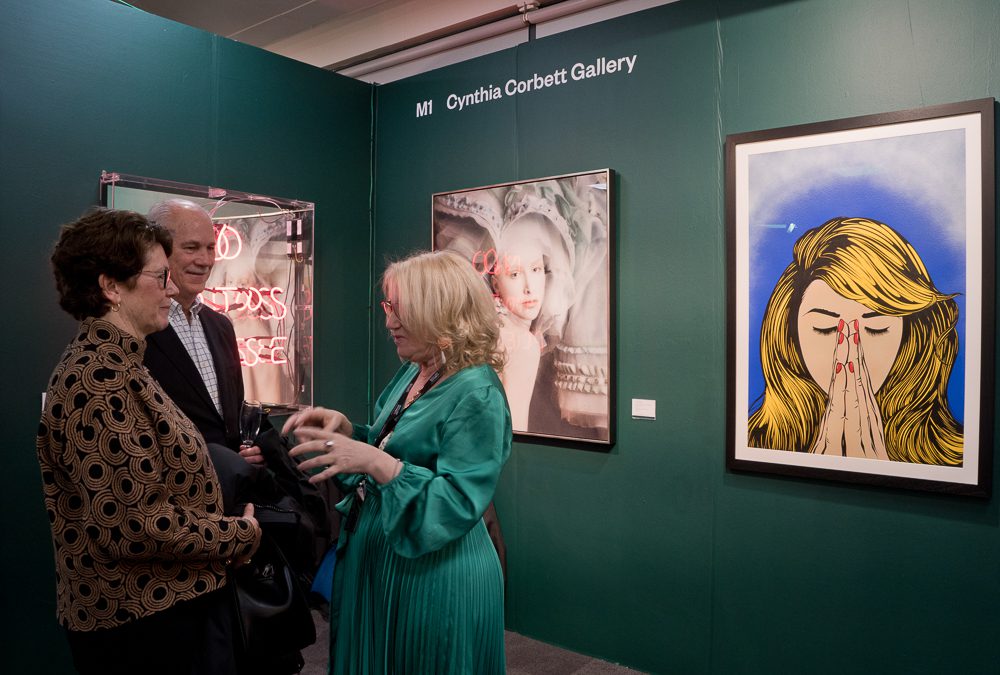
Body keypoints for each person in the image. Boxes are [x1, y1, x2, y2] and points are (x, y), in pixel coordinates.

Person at [37, 208, 261, 675]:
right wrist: (238, 534)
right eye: (160, 277)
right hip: (138, 623)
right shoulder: (98, 380)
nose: (173, 288)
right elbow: (134, 526)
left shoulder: (122, 365)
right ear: (111, 286)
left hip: (161, 615)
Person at [283, 250, 512, 674]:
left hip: (436, 574)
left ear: (440, 312)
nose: (388, 322)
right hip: (394, 561)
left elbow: (458, 500)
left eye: (401, 310)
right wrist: (349, 433)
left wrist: (376, 463)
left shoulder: (477, 393)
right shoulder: (419, 369)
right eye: (389, 307)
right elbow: (397, 444)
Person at [142, 198, 328, 672]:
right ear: (159, 251)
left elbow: (228, 415)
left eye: (210, 246)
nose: (205, 259)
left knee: (244, 645)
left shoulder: (221, 325)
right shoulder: (137, 332)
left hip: (235, 515)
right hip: (174, 522)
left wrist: (254, 447)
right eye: (191, 247)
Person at [748, 216, 963, 465]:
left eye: (876, 327)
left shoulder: (953, 457)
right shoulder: (756, 443)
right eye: (825, 327)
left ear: (910, 336)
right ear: (788, 335)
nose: (850, 350)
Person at [490, 214, 549, 431]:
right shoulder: (521, 343)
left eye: (536, 269)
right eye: (514, 274)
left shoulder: (492, 328)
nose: (529, 287)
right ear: (495, 285)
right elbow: (515, 431)